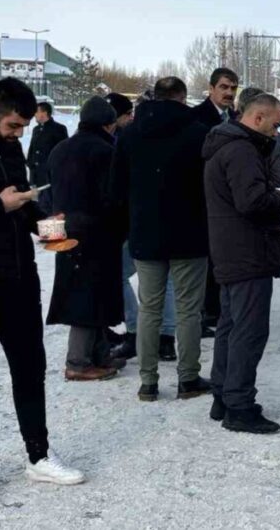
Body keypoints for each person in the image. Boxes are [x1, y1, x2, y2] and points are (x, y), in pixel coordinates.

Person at [0, 78, 85, 499]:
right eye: (13, 125)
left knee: (30, 368)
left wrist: (45, 226)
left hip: (19, 278)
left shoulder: (9, 148)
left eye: (24, 127)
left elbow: (20, 203)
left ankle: (39, 456)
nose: (19, 134)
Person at [112, 76, 213, 403]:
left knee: (149, 308)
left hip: (145, 233)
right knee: (188, 310)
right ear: (183, 99)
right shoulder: (199, 133)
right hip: (190, 235)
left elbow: (115, 188)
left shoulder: (129, 134)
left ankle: (148, 382)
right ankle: (187, 379)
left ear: (155, 98)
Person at [203, 92, 280, 434]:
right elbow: (252, 200)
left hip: (230, 249)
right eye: (275, 124)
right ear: (258, 119)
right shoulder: (242, 149)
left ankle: (223, 396)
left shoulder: (224, 144)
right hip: (247, 250)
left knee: (229, 325)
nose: (276, 131)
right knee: (248, 330)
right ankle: (239, 404)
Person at [45, 97, 126, 381]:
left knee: (79, 292)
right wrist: (122, 229)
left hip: (62, 230)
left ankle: (99, 355)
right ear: (108, 124)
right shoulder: (105, 151)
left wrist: (50, 231)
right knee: (90, 297)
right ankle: (78, 362)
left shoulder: (59, 149)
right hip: (97, 234)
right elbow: (113, 198)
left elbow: (48, 194)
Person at [108, 94, 179, 364]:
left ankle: (137, 333)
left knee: (127, 277)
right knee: (169, 281)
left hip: (137, 224)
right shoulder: (181, 135)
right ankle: (166, 340)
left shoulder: (129, 140)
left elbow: (117, 188)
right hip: (170, 222)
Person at [192, 68, 240, 336]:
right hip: (202, 197)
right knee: (203, 259)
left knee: (221, 255)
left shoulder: (234, 118)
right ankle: (204, 310)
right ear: (211, 88)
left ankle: (216, 307)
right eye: (224, 87)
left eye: (233, 88)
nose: (229, 93)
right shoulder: (197, 118)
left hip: (227, 199)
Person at [26, 101, 68, 213]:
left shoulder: (59, 129)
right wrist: (30, 163)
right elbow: (32, 149)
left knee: (50, 209)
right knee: (37, 209)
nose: (34, 114)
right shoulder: (36, 130)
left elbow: (63, 152)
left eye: (36, 112)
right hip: (36, 178)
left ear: (44, 113)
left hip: (51, 178)